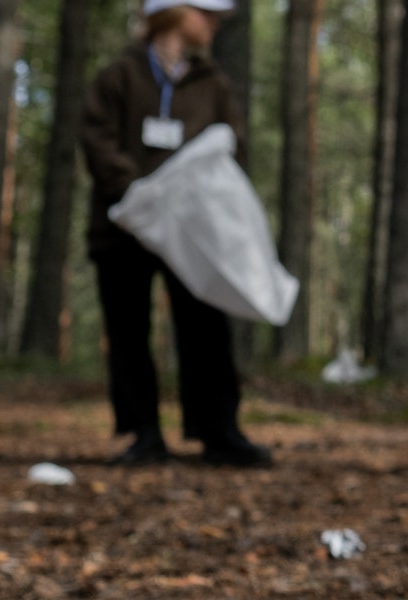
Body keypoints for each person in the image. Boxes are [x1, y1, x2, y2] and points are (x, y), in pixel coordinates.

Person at [80, 0, 268, 466]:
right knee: (128, 331)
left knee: (206, 327)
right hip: (124, 226)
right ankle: (143, 432)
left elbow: (233, 149)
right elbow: (97, 139)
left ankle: (218, 430)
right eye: (206, 12)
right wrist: (137, 192)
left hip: (193, 232)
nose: (214, 23)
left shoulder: (212, 84)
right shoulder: (119, 76)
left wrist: (195, 200)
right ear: (176, 12)